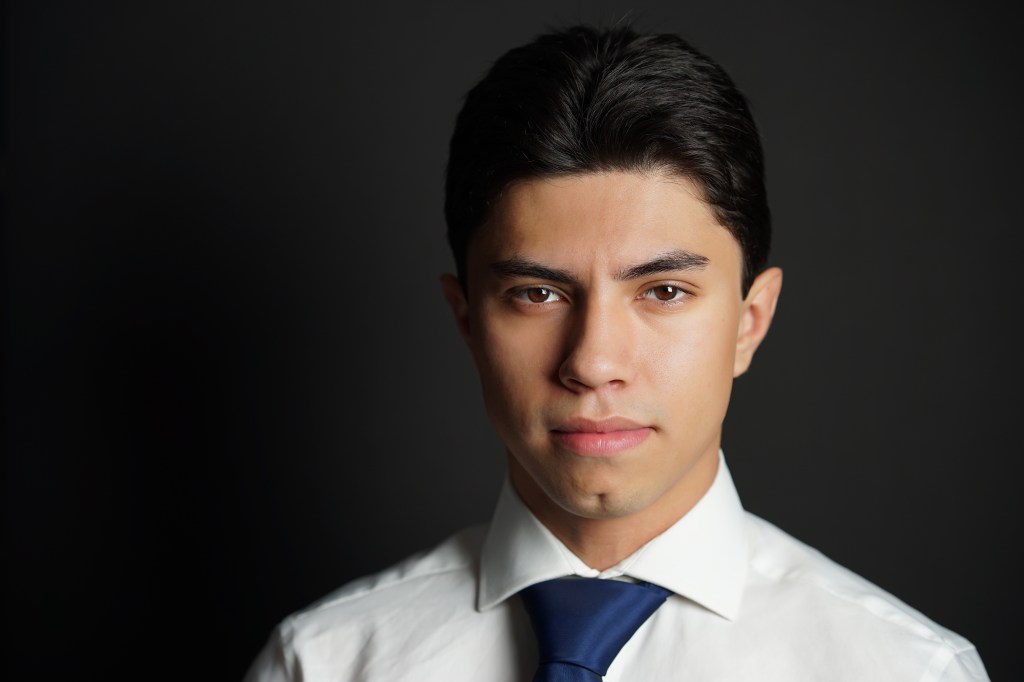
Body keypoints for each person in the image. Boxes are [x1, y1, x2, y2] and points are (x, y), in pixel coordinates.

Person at [243, 24, 989, 681]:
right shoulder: (325, 663)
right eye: (538, 294)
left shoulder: (906, 670)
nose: (594, 362)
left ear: (749, 323)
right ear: (466, 321)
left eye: (664, 292)